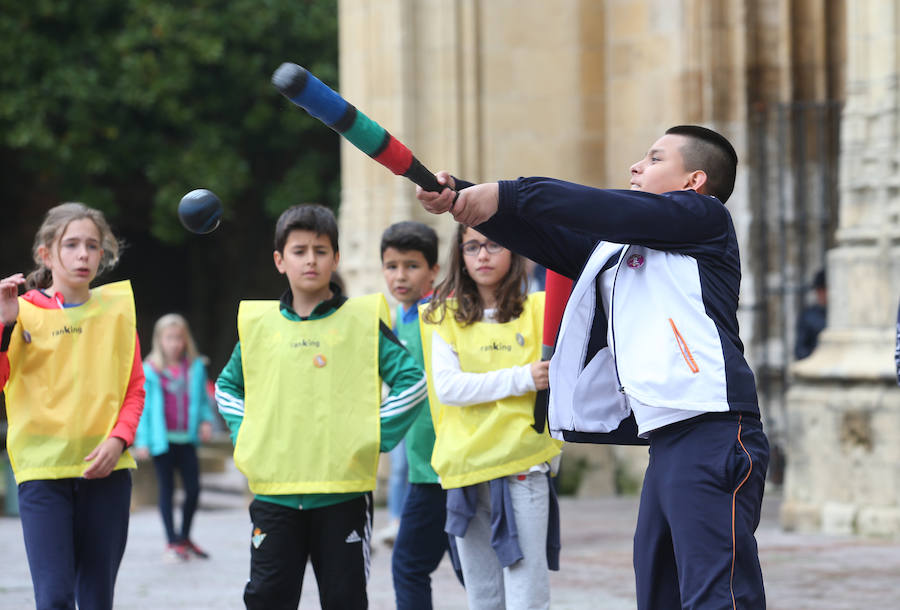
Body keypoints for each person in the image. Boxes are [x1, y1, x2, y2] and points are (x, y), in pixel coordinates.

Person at [417, 125, 770, 609]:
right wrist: (464, 197)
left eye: (653, 158)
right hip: (665, 440)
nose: (635, 167)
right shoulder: (617, 251)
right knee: (659, 594)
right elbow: (543, 236)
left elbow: (602, 209)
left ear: (693, 181)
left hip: (715, 429)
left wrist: (509, 191)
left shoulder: (704, 219)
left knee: (718, 597)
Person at [214, 204, 428, 609]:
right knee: (266, 598)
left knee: (345, 600)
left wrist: (374, 433)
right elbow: (228, 387)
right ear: (280, 260)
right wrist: (247, 434)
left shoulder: (362, 321)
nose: (310, 259)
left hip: (343, 496)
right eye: (299, 251)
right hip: (275, 496)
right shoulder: (259, 326)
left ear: (336, 258)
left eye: (320, 250)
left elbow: (413, 382)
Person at [0, 202, 144, 610]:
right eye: (72, 245)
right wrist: (5, 325)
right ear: (46, 254)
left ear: (103, 254)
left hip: (107, 472)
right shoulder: (18, 311)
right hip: (42, 474)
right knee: (55, 598)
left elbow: (134, 389)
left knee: (97, 600)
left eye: (92, 246)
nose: (83, 255)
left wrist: (119, 440)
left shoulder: (117, 312)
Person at [420, 224, 562, 610]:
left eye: (494, 244)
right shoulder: (442, 315)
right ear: (460, 255)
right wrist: (523, 377)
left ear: (514, 251)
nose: (482, 255)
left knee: (527, 595)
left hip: (523, 463)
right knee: (483, 596)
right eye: (472, 246)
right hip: (466, 467)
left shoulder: (540, 309)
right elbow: (449, 387)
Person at [379, 221, 449, 609]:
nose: (400, 275)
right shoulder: (393, 320)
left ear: (433, 271)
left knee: (466, 567)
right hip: (423, 469)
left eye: (411, 265)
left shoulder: (442, 315)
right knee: (410, 564)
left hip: (451, 465)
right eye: (392, 266)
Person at [134, 313, 216, 561]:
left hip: (187, 438)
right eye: (169, 338)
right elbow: (143, 408)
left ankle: (185, 536)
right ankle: (171, 541)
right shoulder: (150, 370)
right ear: (160, 340)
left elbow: (202, 401)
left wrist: (205, 421)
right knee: (166, 490)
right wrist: (142, 441)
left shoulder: (195, 367)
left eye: (179, 338)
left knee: (193, 489)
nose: (175, 343)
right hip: (162, 441)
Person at [795, 268, 827, 359]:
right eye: (818, 290)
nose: (820, 294)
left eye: (823, 290)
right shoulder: (808, 316)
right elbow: (799, 351)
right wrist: (815, 354)